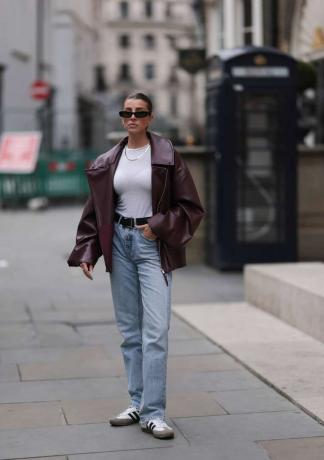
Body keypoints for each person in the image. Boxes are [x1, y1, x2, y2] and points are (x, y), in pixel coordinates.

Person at [67, 92, 204, 439]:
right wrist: (88, 251)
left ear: (150, 117)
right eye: (126, 112)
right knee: (130, 332)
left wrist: (156, 226)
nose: (132, 117)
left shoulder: (167, 156)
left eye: (139, 113)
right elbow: (95, 211)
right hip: (120, 244)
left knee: (155, 332)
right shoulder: (108, 160)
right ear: (121, 117)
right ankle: (137, 402)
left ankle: (155, 413)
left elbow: (191, 207)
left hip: (151, 245)